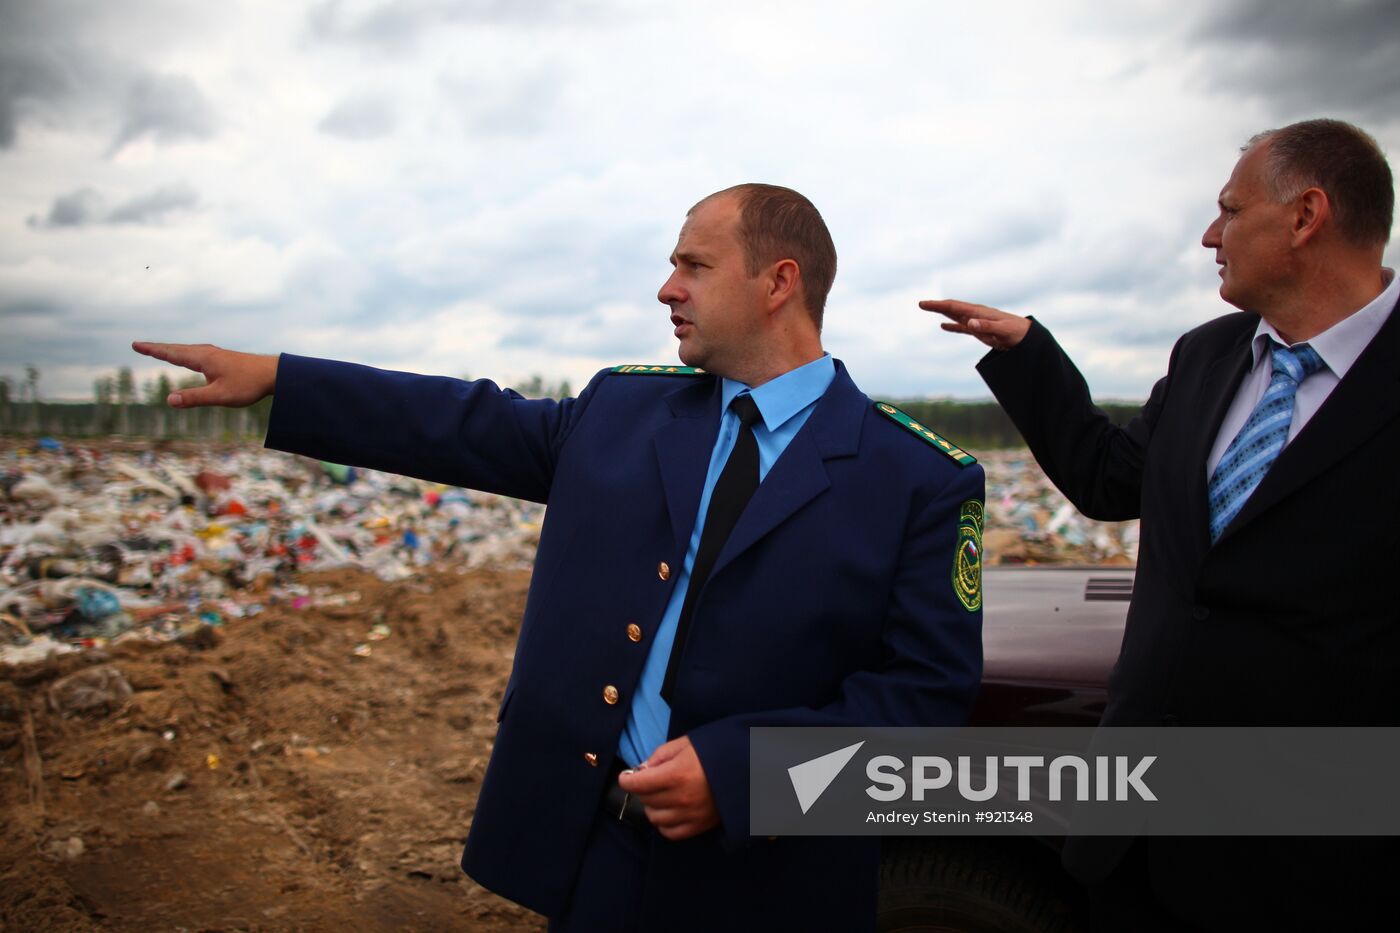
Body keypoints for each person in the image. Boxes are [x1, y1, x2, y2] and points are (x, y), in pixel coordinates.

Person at [134, 183, 985, 932]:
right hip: (599, 858)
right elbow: (460, 423)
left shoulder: (918, 480)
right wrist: (283, 376)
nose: (667, 287)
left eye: (693, 265)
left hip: (773, 878)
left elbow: (922, 707)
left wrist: (747, 776)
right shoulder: (625, 411)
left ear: (779, 282)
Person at [924, 119, 1399, 930]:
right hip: (1138, 833)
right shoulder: (1207, 354)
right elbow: (1112, 480)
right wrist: (1029, 353)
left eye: (1228, 210)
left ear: (1306, 215)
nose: (1210, 235)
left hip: (1321, 851)